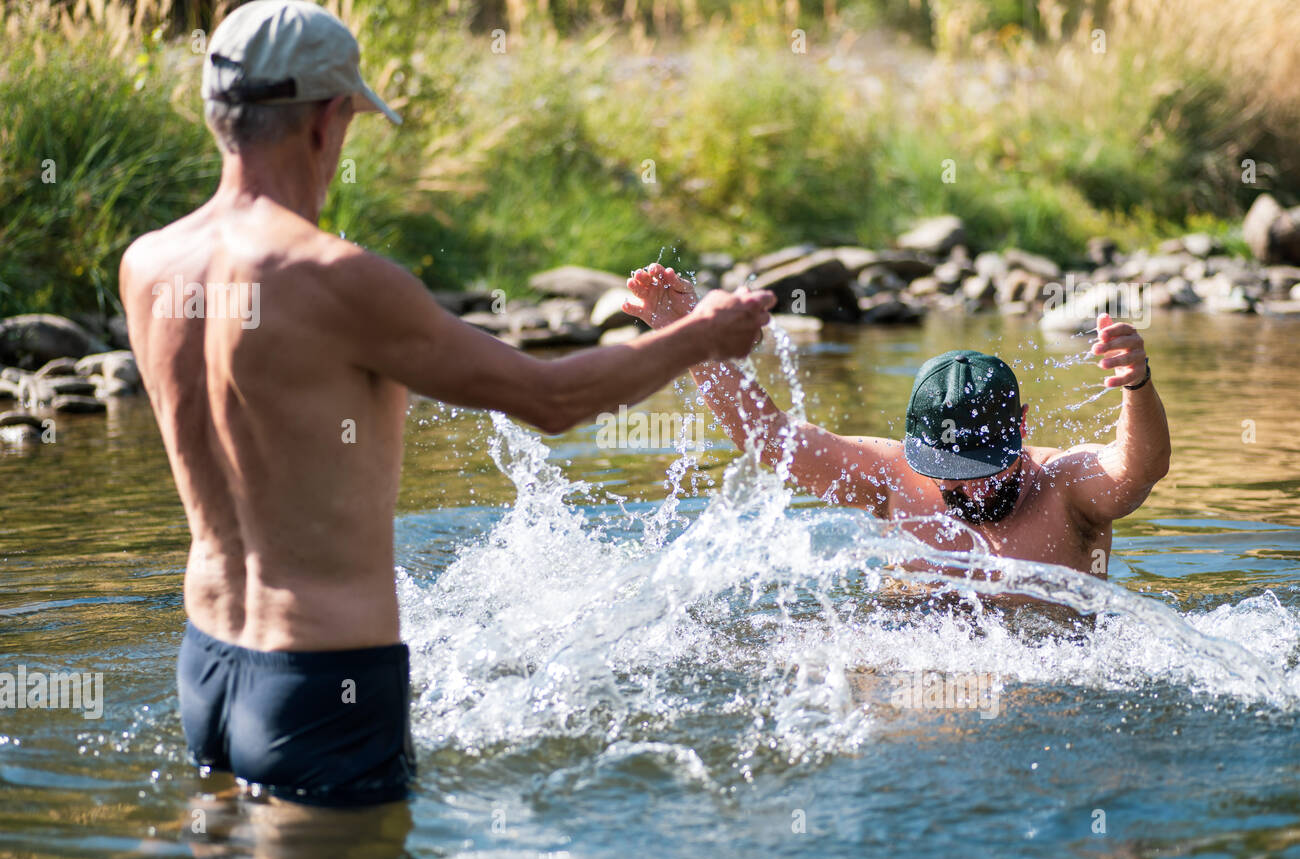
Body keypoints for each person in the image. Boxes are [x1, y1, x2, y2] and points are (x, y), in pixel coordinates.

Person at [118, 1, 774, 807]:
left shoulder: (148, 266)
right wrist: (702, 336)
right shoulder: (336, 280)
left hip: (208, 664)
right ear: (327, 121)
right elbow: (553, 397)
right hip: (324, 680)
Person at [624, 263, 1171, 578]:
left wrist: (1137, 385)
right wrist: (688, 334)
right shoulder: (891, 477)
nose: (969, 487)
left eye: (985, 465)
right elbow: (770, 438)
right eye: (947, 468)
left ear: (1021, 427)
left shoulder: (1065, 488)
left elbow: (1137, 469)